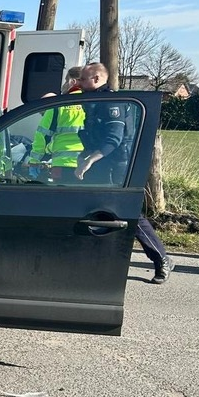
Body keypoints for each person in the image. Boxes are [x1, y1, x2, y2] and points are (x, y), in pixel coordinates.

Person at [74, 63, 174, 284]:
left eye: (83, 79)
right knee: (91, 211)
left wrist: (90, 160)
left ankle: (161, 259)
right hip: (97, 165)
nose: (79, 83)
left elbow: (113, 140)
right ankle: (93, 262)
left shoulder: (112, 103)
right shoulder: (93, 100)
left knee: (127, 213)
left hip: (116, 165)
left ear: (98, 79)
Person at [29, 66, 86, 182]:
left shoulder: (59, 105)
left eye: (66, 81)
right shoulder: (94, 104)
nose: (64, 84)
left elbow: (43, 136)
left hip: (62, 164)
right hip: (87, 164)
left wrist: (35, 161)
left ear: (73, 82)